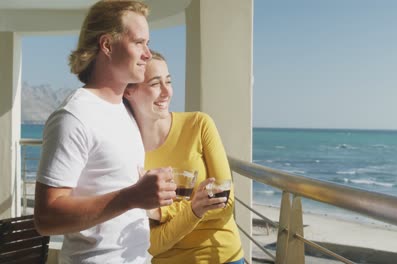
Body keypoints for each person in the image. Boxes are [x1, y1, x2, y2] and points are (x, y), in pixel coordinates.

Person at [33, 1, 177, 263]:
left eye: (148, 43)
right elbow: (46, 217)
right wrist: (132, 197)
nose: (148, 53)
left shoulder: (124, 110)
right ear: (107, 45)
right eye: (139, 43)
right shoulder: (74, 116)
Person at [124, 51, 245, 264]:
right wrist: (196, 208)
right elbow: (151, 243)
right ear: (128, 91)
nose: (166, 92)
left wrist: (162, 212)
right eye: (154, 84)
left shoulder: (199, 124)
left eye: (168, 81)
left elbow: (225, 203)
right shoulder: (128, 151)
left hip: (223, 257)